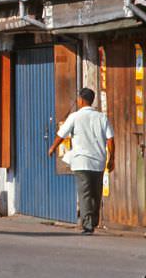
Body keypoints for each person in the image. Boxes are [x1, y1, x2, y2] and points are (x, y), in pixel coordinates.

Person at [48, 87, 115, 235]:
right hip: (98, 161)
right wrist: (112, 158)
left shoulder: (74, 117)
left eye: (78, 98)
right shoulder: (101, 117)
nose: (77, 101)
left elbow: (61, 135)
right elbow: (110, 139)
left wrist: (52, 148)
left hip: (81, 161)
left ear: (82, 100)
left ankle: (88, 225)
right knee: (96, 193)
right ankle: (93, 221)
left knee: (85, 193)